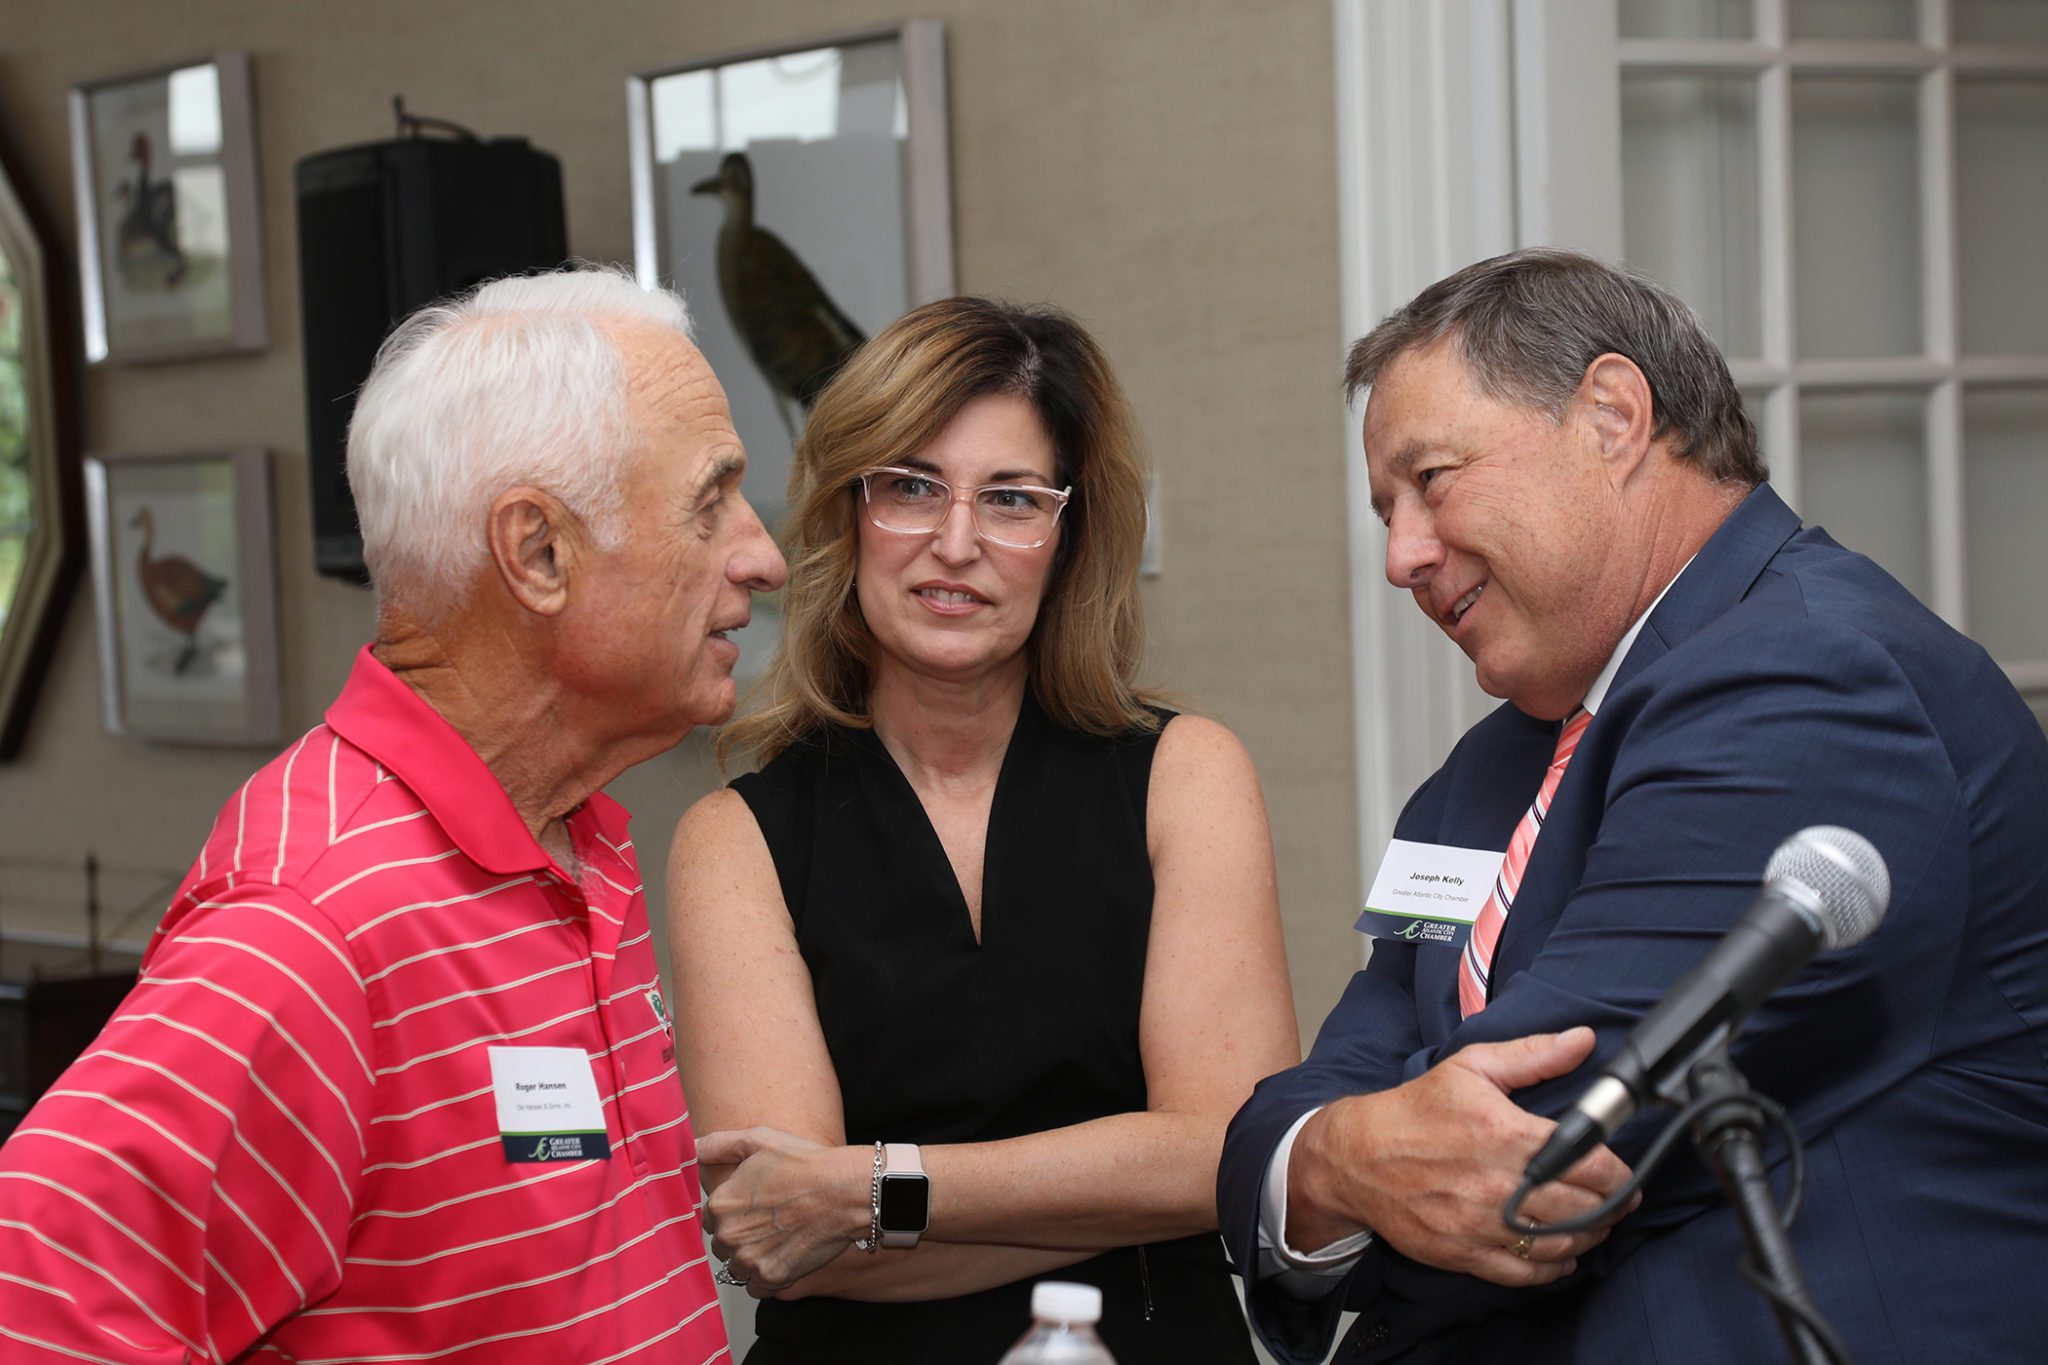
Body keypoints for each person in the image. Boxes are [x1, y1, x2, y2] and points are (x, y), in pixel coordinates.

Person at [1217, 248, 2048, 1364]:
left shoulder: (1809, 677)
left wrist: (1339, 1157)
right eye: (1384, 512)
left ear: (1612, 418)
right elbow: (1325, 1091)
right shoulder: (1481, 774)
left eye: (1431, 480)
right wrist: (1328, 1157)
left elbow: (1537, 1157)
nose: (1401, 556)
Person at [0, 267, 786, 1363]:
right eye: (710, 503)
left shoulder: (577, 838)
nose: (763, 555)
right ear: (538, 553)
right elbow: (35, 1293)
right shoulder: (314, 922)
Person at [667, 296, 1300, 1363]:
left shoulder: (1184, 776)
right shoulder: (734, 840)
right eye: (912, 488)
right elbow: (789, 1240)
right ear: (847, 512)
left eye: (1010, 499)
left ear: (1067, 538)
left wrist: (870, 1188)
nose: (954, 544)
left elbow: (1228, 1157)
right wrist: (1137, 1189)